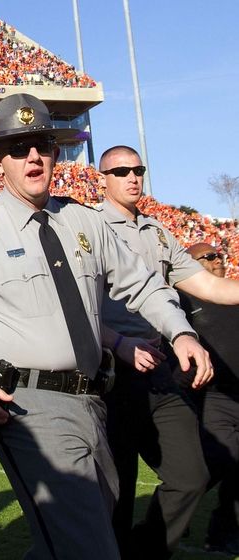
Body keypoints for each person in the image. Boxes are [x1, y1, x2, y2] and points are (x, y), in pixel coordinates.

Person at [0, 93, 212, 560]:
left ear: (56, 153)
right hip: (26, 405)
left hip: (94, 400)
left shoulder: (85, 221)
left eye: (43, 145)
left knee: (76, 538)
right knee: (89, 545)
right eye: (18, 147)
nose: (33, 156)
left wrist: (181, 331)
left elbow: (144, 284)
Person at [97, 145, 239, 559]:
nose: (132, 177)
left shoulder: (157, 231)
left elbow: (208, 285)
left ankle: (145, 551)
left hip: (158, 370)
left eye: (138, 169)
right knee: (117, 492)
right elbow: (76, 306)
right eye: (121, 170)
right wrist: (117, 343)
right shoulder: (86, 226)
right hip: (111, 372)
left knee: (191, 475)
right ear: (101, 178)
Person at [174, 243, 239, 555]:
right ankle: (175, 515)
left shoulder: (234, 294)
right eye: (209, 256)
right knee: (220, 461)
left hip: (237, 394)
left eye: (220, 255)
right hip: (210, 396)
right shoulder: (182, 300)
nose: (218, 260)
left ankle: (222, 532)